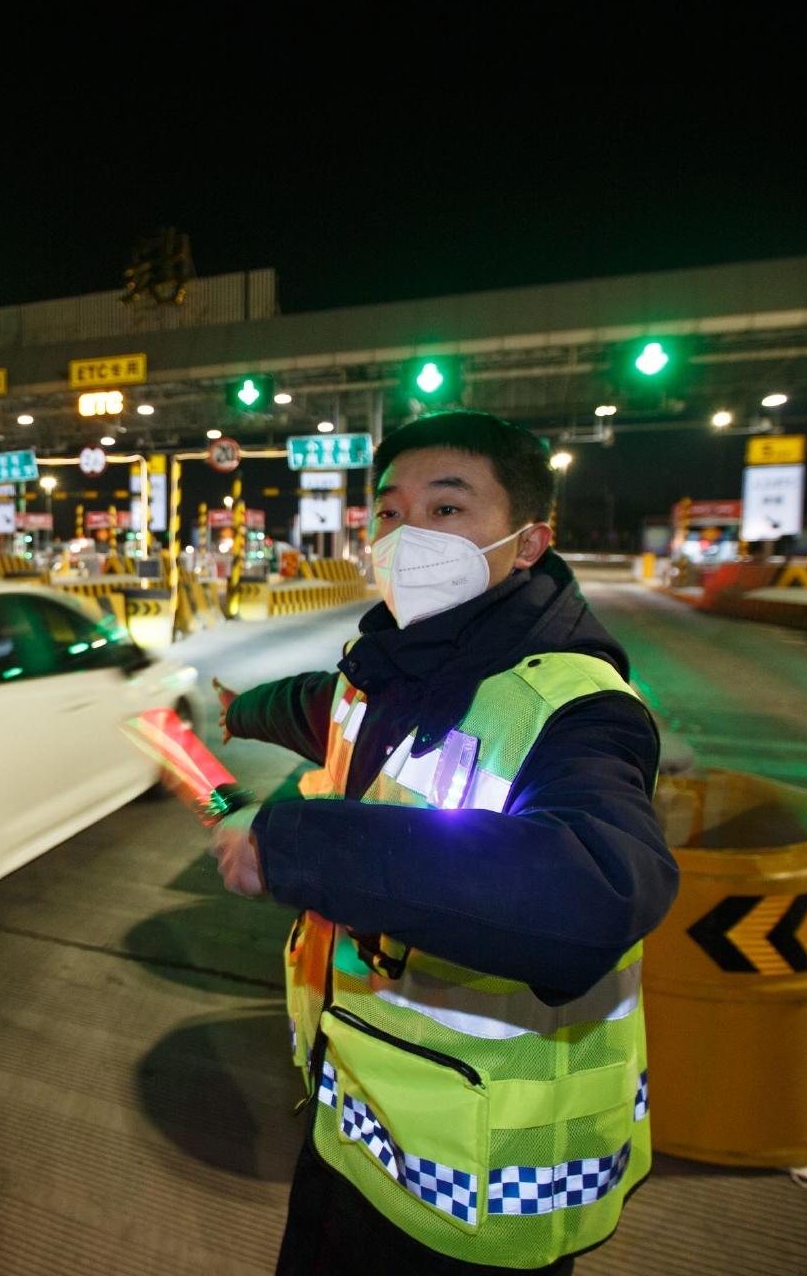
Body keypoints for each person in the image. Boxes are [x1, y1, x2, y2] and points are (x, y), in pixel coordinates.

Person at [210, 410, 677, 1274]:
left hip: (481, 1193)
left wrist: (290, 844)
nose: (407, 535)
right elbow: (325, 706)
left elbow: (597, 889)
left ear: (529, 543)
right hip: (353, 1124)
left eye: (448, 510)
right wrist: (244, 708)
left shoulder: (579, 708)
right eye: (389, 513)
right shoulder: (389, 668)